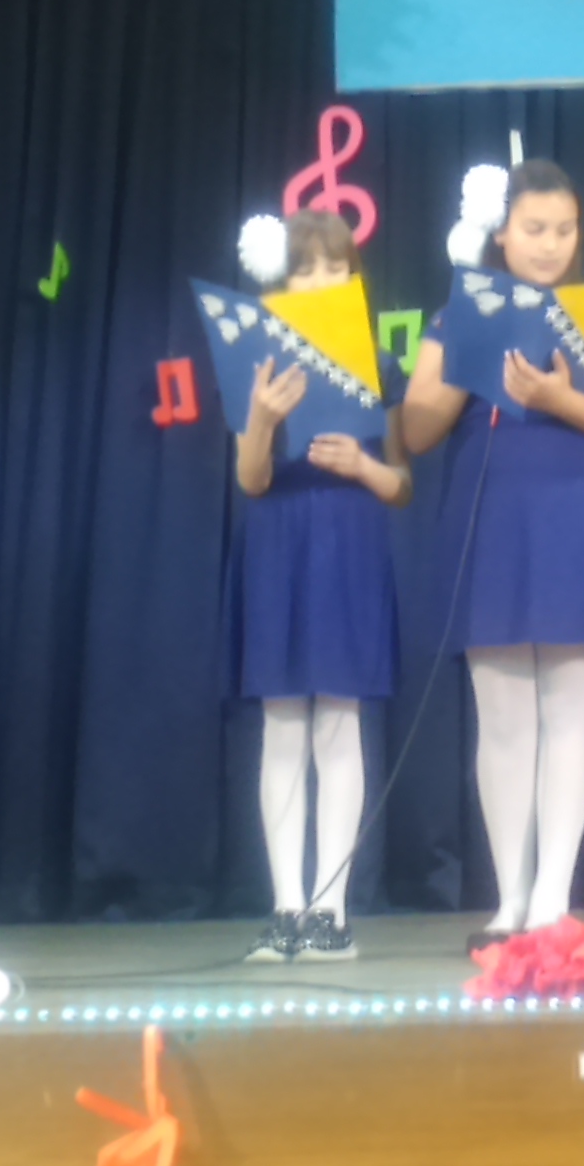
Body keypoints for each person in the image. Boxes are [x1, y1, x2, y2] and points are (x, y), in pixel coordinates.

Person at [402, 159, 584, 950]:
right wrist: (479, 360)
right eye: (535, 229)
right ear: (501, 233)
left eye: (564, 229)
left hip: (575, 513)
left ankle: (553, 898)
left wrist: (557, 399)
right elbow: (415, 428)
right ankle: (510, 897)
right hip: (493, 515)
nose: (550, 244)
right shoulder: (455, 318)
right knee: (504, 715)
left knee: (570, 706)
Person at [231, 209, 410, 963]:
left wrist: (362, 465)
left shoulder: (377, 358)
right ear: (281, 280)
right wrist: (262, 420)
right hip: (280, 542)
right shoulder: (257, 361)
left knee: (339, 724)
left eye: (338, 268)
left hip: (350, 542)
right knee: (282, 727)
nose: (323, 280)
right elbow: (250, 478)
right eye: (306, 268)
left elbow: (401, 484)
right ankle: (286, 907)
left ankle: (331, 910)